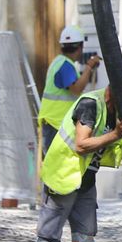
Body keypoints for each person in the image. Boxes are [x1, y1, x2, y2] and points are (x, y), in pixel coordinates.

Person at [32, 62, 122, 242]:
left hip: (85, 182)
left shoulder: (116, 113)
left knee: (85, 239)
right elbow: (81, 145)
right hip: (64, 177)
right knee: (48, 239)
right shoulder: (90, 104)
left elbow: (114, 151)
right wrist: (117, 134)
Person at [39, 26, 100, 157]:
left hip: (53, 122)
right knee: (57, 162)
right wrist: (89, 67)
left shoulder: (59, 62)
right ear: (80, 46)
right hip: (55, 123)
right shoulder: (65, 65)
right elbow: (76, 89)